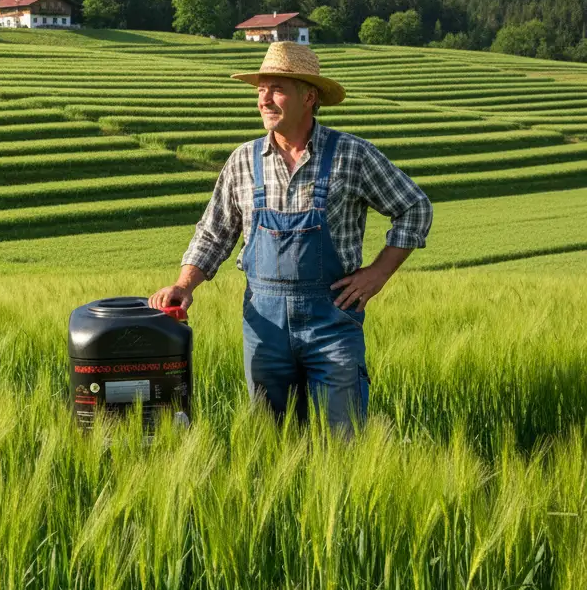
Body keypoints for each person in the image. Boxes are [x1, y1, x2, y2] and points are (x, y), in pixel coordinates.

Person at [148, 41, 433, 435]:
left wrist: (379, 272)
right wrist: (184, 283)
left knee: (343, 437)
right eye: (260, 89)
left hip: (332, 321)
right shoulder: (243, 161)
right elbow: (214, 232)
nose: (264, 98)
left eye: (277, 88)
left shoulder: (352, 155)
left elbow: (415, 207)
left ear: (309, 96)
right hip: (264, 326)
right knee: (271, 439)